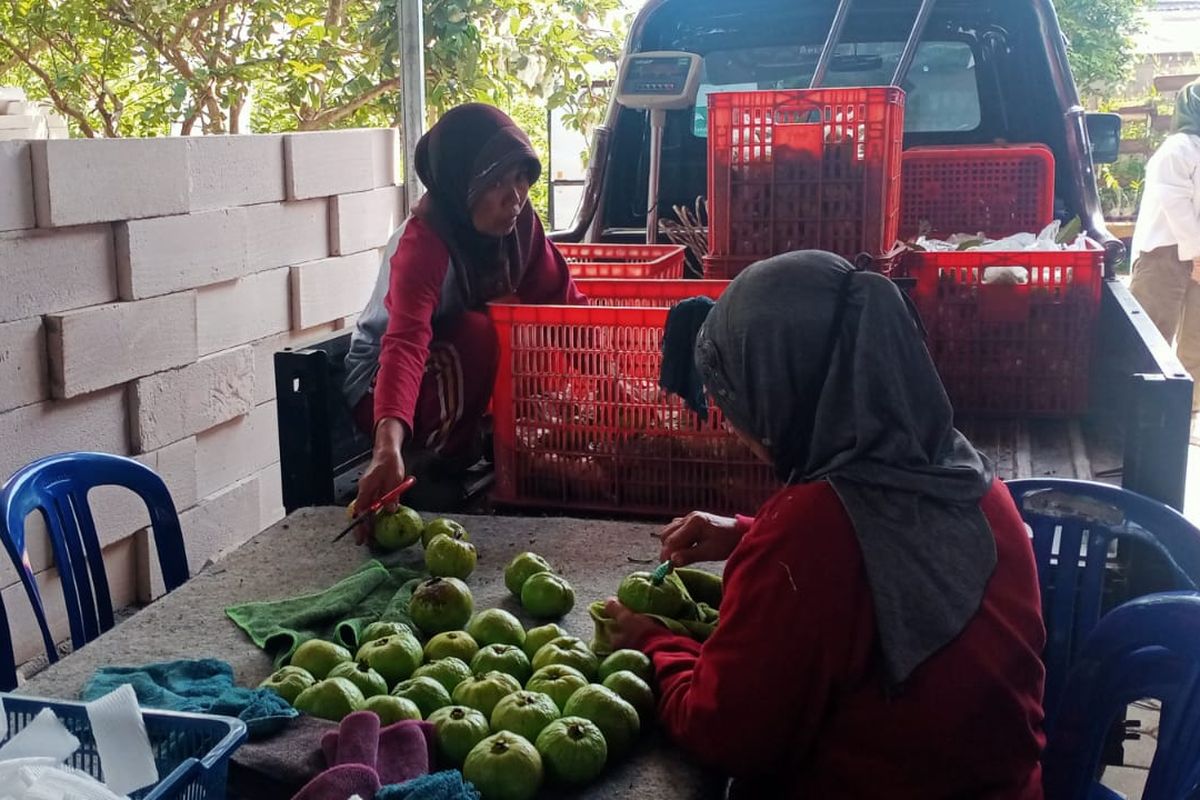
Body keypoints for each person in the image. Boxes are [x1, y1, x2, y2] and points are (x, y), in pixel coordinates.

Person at [603, 252, 1046, 798]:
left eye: (739, 396)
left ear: (788, 389)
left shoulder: (809, 536)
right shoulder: (967, 476)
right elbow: (888, 556)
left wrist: (655, 644)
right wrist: (745, 532)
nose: (737, 421)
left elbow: (723, 732)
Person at [344, 103, 585, 533]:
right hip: (381, 386)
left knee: (521, 319)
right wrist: (386, 449)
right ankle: (435, 465)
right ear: (462, 186)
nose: (514, 197)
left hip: (448, 372)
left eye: (519, 179)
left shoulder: (521, 229)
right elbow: (404, 344)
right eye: (495, 182)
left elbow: (564, 307)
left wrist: (620, 390)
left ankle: (479, 437)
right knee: (479, 334)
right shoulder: (425, 242)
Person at [1130, 78, 1200, 414]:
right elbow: (1176, 203)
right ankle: (1147, 415)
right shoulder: (1179, 148)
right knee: (1153, 340)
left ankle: (1188, 415)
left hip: (1193, 254)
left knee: (1196, 343)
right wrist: (1196, 253)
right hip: (1164, 255)